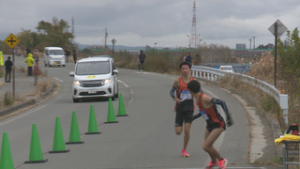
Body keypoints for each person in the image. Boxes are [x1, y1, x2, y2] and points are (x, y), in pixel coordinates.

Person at [187, 80, 234, 169]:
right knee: (208, 146)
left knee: (205, 146)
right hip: (209, 125)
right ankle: (213, 161)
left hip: (218, 124)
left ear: (190, 91)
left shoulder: (204, 98)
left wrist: (228, 116)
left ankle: (221, 160)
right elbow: (204, 111)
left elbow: (222, 102)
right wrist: (194, 117)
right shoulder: (198, 99)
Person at [169, 61, 194, 157]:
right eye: (183, 69)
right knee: (178, 132)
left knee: (187, 130)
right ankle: (181, 122)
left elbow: (200, 93)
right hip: (180, 107)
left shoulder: (193, 81)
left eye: (186, 69)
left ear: (190, 70)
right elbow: (171, 92)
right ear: (180, 70)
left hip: (189, 107)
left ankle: (184, 150)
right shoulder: (177, 81)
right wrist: (175, 98)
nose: (185, 71)